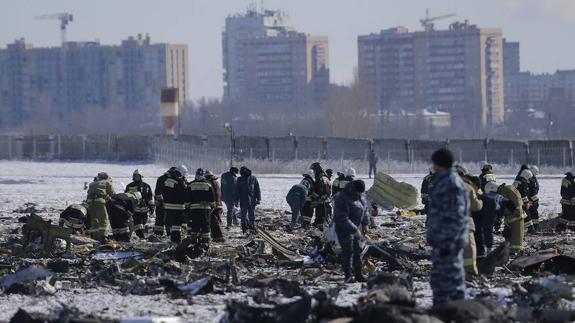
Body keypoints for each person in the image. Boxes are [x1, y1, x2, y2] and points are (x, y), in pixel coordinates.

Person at [427, 148, 469, 306]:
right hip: (441, 242)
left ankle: (457, 311)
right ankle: (441, 310)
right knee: (439, 281)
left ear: (440, 164)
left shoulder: (452, 184)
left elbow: (455, 217)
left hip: (449, 243)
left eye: (435, 163)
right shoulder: (443, 181)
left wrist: (447, 242)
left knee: (452, 280)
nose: (433, 167)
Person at [334, 179, 369, 283]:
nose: (360, 194)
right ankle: (348, 276)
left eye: (361, 192)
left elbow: (365, 209)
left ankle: (358, 275)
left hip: (356, 228)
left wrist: (365, 224)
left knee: (357, 251)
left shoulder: (360, 197)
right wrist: (354, 230)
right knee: (348, 252)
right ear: (354, 189)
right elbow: (341, 217)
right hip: (344, 228)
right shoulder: (342, 197)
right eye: (359, 192)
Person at [455, 165, 483, 278]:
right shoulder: (466, 187)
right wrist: (481, 201)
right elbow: (476, 206)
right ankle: (470, 272)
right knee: (469, 248)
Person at [475, 182, 513, 256]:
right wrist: (489, 247)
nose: (506, 215)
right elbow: (487, 227)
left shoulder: (494, 199)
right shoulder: (492, 202)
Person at [187, 169, 216, 252]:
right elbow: (212, 197)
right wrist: (213, 206)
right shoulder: (208, 184)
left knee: (195, 224)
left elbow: (187, 198)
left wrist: (187, 207)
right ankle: (205, 243)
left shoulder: (191, 185)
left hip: (194, 209)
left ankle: (193, 242)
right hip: (205, 209)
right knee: (205, 225)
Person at [161, 165, 189, 243]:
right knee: (177, 225)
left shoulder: (167, 180)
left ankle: (172, 239)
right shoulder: (180, 181)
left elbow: (163, 191)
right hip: (178, 206)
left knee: (172, 224)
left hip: (168, 206)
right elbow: (185, 192)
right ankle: (176, 241)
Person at [86, 172, 116, 242]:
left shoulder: (92, 183)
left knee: (94, 219)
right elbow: (113, 194)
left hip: (89, 202)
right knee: (103, 219)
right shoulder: (107, 182)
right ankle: (103, 237)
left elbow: (90, 193)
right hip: (99, 201)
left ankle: (95, 236)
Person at [125, 169, 154, 239]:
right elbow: (126, 197)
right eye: (135, 176)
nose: (137, 177)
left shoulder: (146, 186)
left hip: (144, 209)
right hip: (135, 209)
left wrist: (151, 206)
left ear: (141, 177)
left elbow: (149, 197)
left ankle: (141, 236)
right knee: (138, 224)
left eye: (138, 176)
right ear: (133, 177)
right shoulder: (129, 186)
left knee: (143, 223)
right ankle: (141, 237)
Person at [497, 183, 525, 253]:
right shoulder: (509, 188)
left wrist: (499, 219)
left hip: (514, 216)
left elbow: (503, 206)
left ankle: (515, 251)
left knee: (515, 237)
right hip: (517, 214)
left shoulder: (503, 191)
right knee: (516, 236)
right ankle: (515, 250)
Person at [235, 166, 261, 234]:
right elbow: (237, 191)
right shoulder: (239, 179)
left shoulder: (253, 178)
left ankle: (252, 228)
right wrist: (236, 201)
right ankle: (244, 229)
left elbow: (257, 189)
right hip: (243, 201)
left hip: (252, 201)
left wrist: (258, 199)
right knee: (243, 216)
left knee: (251, 215)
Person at [153, 167, 175, 238]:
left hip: (162, 203)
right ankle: (167, 234)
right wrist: (161, 201)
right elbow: (158, 192)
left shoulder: (161, 178)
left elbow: (157, 192)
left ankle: (158, 234)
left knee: (161, 219)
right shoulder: (165, 179)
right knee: (165, 219)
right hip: (165, 203)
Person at [310, 162, 332, 228]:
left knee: (321, 217)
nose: (313, 172)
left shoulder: (320, 178)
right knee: (322, 216)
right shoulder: (323, 176)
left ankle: (320, 230)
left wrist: (315, 197)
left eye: (314, 170)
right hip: (325, 200)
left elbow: (320, 190)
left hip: (322, 201)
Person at [205, 170, 224, 242]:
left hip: (214, 205)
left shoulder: (210, 183)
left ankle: (218, 237)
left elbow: (212, 194)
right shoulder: (216, 182)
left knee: (214, 221)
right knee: (217, 221)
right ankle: (218, 236)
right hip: (219, 204)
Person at [516, 169, 535, 234]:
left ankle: (525, 228)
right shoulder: (523, 183)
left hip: (516, 202)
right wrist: (527, 203)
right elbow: (523, 194)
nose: (529, 179)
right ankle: (531, 229)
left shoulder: (518, 181)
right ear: (526, 176)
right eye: (529, 177)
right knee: (527, 214)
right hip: (520, 202)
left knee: (522, 215)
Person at [528, 166, 540, 232]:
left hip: (534, 198)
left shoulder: (534, 178)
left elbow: (535, 189)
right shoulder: (529, 179)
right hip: (530, 199)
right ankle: (532, 228)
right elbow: (531, 191)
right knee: (532, 213)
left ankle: (535, 227)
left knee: (534, 213)